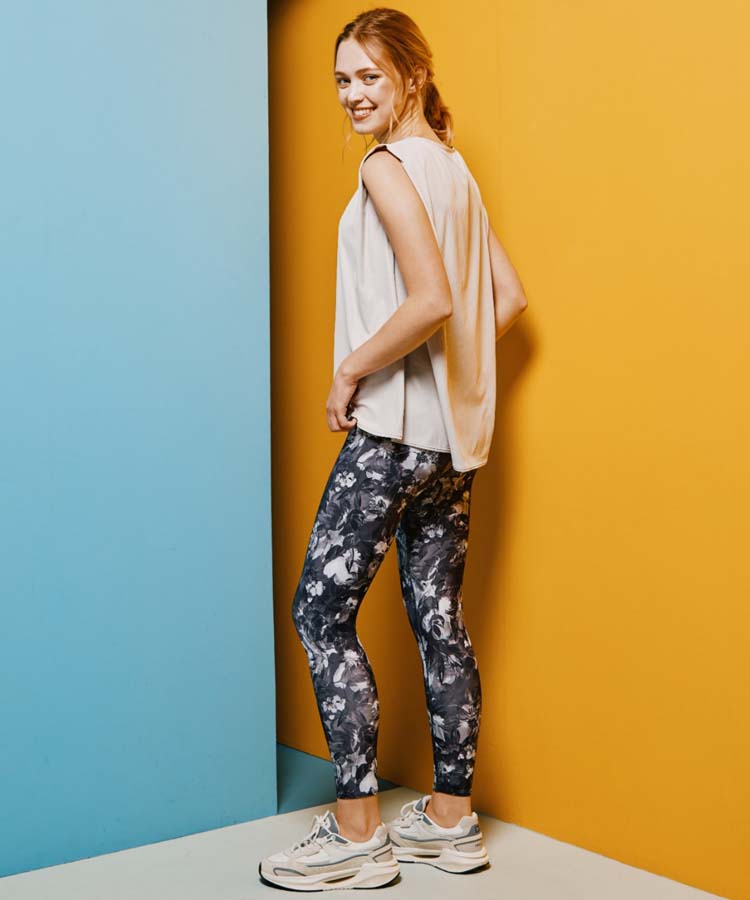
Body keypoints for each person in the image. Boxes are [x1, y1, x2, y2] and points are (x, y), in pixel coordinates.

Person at [259, 7, 527, 891]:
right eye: (342, 79)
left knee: (319, 613)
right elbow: (505, 300)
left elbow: (431, 301)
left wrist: (349, 371)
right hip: (451, 447)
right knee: (440, 619)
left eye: (370, 75)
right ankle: (451, 821)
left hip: (390, 436)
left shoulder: (387, 167)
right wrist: (456, 379)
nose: (352, 94)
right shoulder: (455, 169)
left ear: (413, 75)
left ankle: (356, 834)